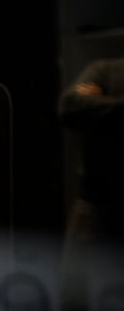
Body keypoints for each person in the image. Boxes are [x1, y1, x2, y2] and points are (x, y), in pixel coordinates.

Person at [57, 56, 124, 309]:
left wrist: (103, 103)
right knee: (75, 295)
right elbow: (71, 105)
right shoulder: (107, 70)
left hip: (97, 204)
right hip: (95, 206)